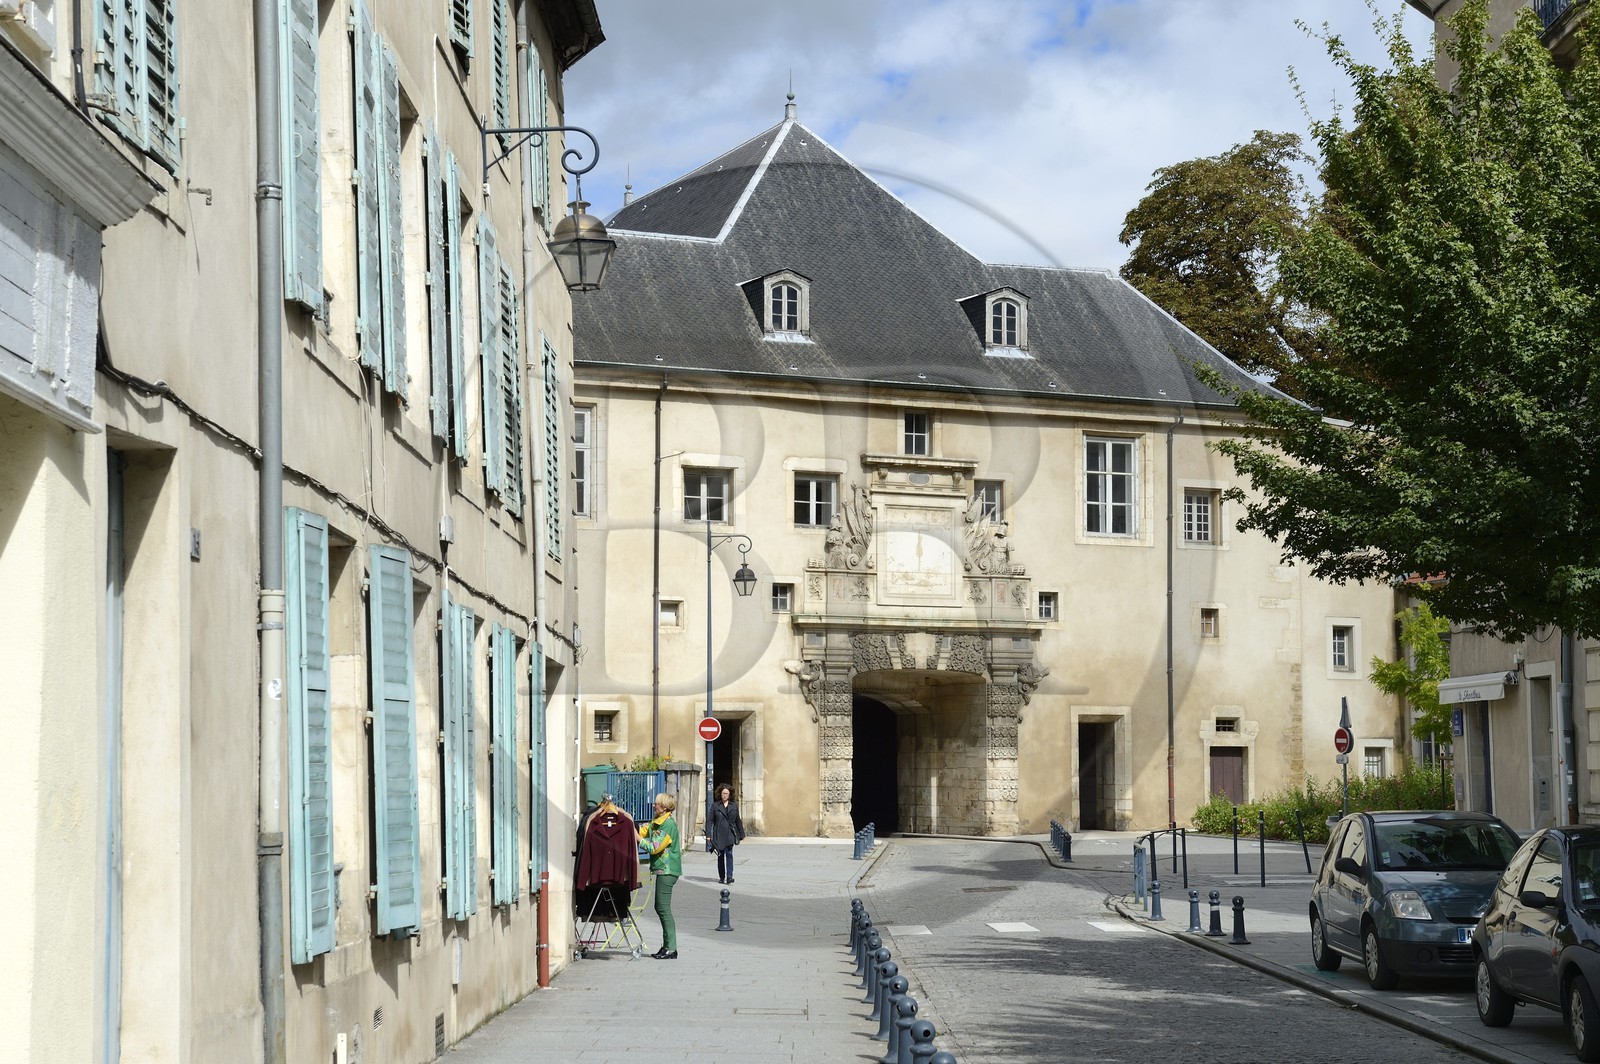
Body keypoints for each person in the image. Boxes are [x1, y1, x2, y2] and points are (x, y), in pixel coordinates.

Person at [639, 792, 682, 959]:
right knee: (660, 907)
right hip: (663, 870)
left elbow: (654, 848)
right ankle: (667, 946)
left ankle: (671, 948)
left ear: (663, 808)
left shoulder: (668, 825)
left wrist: (637, 838)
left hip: (668, 870)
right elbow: (644, 830)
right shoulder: (658, 822)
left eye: (656, 804)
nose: (653, 806)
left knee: (663, 908)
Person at [707, 784, 746, 884]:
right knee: (720, 856)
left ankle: (729, 877)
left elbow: (738, 820)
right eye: (723, 793)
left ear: (730, 795)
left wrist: (742, 833)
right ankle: (722, 877)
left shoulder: (734, 805)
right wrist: (708, 834)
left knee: (729, 854)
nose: (725, 795)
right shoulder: (715, 805)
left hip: (730, 833)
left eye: (727, 794)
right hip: (718, 833)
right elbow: (710, 820)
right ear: (720, 794)